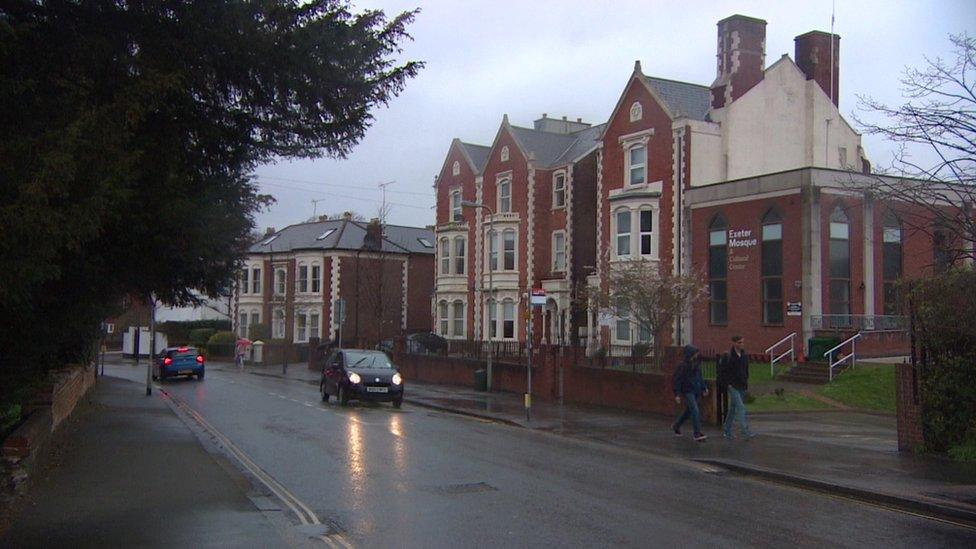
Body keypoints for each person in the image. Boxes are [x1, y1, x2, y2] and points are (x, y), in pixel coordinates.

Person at [671, 345, 709, 441]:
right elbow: (677, 380)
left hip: (696, 390)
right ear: (690, 354)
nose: (697, 354)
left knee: (688, 411)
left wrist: (704, 388)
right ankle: (697, 433)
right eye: (695, 353)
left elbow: (700, 377)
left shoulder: (696, 364)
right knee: (695, 410)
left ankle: (676, 425)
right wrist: (677, 394)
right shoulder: (683, 366)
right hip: (688, 391)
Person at [723, 335, 755, 439]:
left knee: (732, 408)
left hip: (742, 385)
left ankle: (727, 429)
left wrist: (746, 382)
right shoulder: (729, 356)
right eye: (739, 342)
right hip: (733, 386)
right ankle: (745, 431)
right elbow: (724, 371)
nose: (741, 344)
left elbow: (746, 370)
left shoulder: (744, 356)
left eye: (742, 342)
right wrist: (728, 383)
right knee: (741, 407)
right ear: (734, 343)